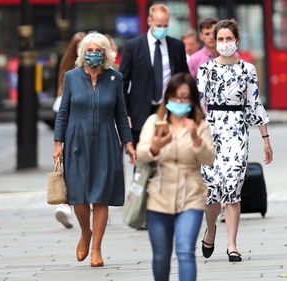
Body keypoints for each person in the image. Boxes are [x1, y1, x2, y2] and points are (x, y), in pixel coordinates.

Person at [53, 31, 136, 267]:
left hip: (107, 140)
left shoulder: (115, 78)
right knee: (78, 195)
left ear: (106, 54)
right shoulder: (71, 77)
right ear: (82, 52)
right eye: (89, 50)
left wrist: (128, 143)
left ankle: (97, 248)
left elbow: (121, 114)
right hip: (76, 139)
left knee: (101, 196)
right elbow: (63, 113)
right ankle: (85, 232)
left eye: (98, 51)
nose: (93, 54)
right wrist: (58, 143)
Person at [197, 19, 273, 263]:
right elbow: (196, 105)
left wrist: (266, 139)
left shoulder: (247, 70)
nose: (225, 43)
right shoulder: (206, 69)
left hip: (237, 132)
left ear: (237, 41)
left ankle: (232, 244)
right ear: (215, 41)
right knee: (212, 194)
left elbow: (254, 104)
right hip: (211, 131)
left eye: (229, 39)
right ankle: (210, 230)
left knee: (232, 189)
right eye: (221, 39)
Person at [137, 73, 215, 281]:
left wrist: (195, 138)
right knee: (161, 256)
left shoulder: (199, 125)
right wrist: (156, 146)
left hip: (191, 195)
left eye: (184, 97)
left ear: (192, 100)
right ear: (167, 97)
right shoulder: (155, 122)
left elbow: (209, 158)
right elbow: (141, 153)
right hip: (158, 195)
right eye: (174, 97)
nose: (179, 102)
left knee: (185, 252)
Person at [119, 3, 189, 147]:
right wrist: (125, 113)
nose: (162, 29)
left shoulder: (177, 46)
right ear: (149, 21)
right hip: (140, 112)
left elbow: (184, 78)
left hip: (170, 110)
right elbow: (122, 83)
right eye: (158, 25)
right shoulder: (132, 47)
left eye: (165, 25)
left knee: (170, 156)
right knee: (143, 159)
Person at [53, 32, 85, 229]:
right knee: (70, 170)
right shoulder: (70, 74)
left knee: (78, 170)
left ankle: (72, 206)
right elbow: (61, 108)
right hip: (71, 129)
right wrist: (58, 141)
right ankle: (65, 205)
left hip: (83, 128)